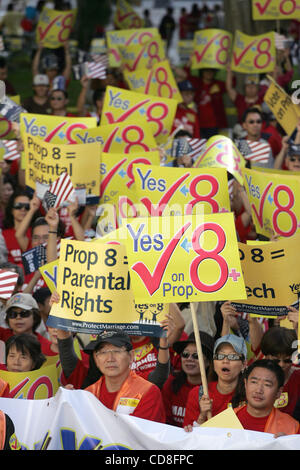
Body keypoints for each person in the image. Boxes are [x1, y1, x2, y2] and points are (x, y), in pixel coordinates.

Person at [83, 330, 166, 423]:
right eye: (103, 352)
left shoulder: (147, 392)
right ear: (96, 359)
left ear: (131, 356)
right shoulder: (88, 394)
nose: (110, 358)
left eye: (117, 351)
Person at [184, 334, 247, 428]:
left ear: (244, 364)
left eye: (232, 357)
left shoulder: (250, 396)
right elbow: (187, 438)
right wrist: (202, 416)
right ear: (213, 362)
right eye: (220, 356)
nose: (225, 361)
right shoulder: (199, 393)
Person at [161, 330, 214, 427]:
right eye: (185, 354)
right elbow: (164, 421)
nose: (189, 359)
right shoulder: (171, 383)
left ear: (208, 362)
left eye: (196, 356)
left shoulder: (213, 391)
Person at [234, 359, 300, 435]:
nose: (258, 390)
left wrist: (287, 445)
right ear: (245, 384)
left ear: (279, 392)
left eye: (267, 385)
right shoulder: (225, 420)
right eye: (254, 382)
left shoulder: (292, 428)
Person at [258, 326, 300, 417]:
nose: (281, 364)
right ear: (266, 356)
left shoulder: (298, 377)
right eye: (276, 360)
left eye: (287, 360)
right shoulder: (253, 376)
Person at [0, 292, 53, 356]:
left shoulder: (47, 347)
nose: (18, 317)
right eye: (13, 314)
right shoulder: (2, 335)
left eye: (24, 313)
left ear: (35, 316)